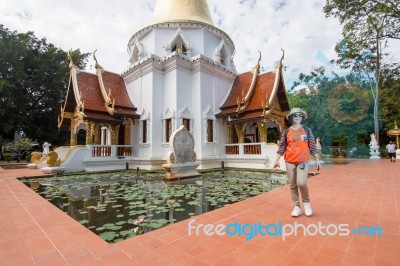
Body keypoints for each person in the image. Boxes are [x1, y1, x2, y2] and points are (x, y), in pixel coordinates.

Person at [273, 108, 321, 217]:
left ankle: (307, 203)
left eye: (299, 115)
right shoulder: (286, 132)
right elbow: (282, 147)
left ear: (302, 117)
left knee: (301, 183)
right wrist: (276, 160)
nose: (298, 117)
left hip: (303, 160)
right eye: (295, 115)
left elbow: (312, 146)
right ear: (291, 118)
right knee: (293, 184)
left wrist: (317, 160)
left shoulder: (307, 130)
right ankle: (296, 207)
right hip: (289, 160)